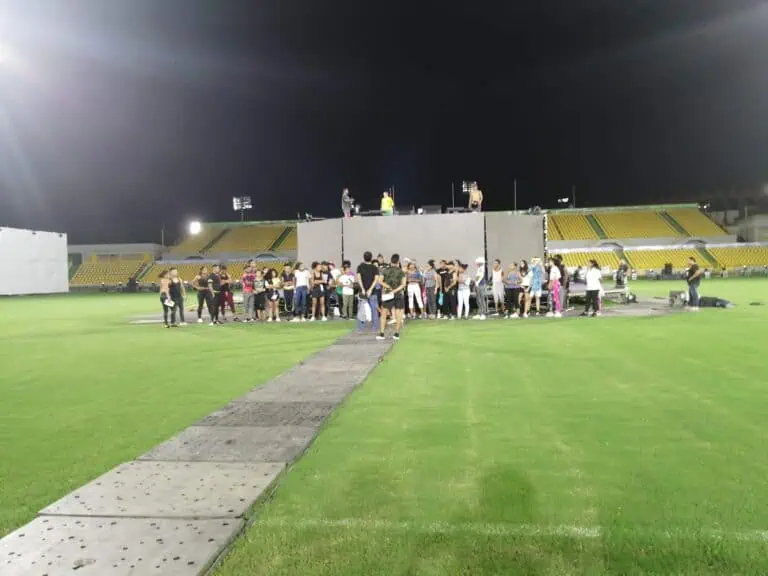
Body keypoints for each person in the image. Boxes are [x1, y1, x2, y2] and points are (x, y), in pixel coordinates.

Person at [378, 253, 406, 340]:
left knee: (384, 314)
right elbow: (403, 284)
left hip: (387, 294)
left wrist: (388, 287)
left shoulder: (385, 270)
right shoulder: (401, 272)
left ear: (391, 261)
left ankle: (382, 334)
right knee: (399, 314)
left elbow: (380, 281)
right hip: (398, 294)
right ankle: (396, 334)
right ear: (398, 261)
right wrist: (395, 290)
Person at [356, 251, 380, 332]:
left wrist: (363, 289)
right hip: (372, 292)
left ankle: (360, 328)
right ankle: (374, 328)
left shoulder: (360, 267)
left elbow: (359, 278)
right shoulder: (374, 267)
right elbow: (376, 280)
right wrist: (370, 289)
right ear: (371, 258)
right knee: (374, 310)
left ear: (364, 257)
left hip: (362, 292)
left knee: (361, 310)